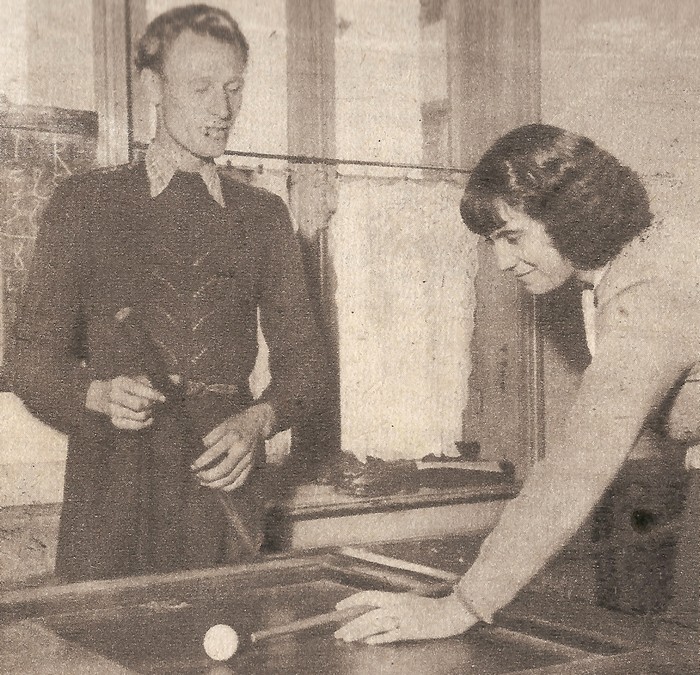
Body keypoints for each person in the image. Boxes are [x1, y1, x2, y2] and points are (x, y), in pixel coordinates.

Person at [334, 123, 700, 643]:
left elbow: (578, 467)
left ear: (569, 215)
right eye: (492, 242)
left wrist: (459, 607)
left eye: (512, 236)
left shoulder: (643, 295)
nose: (502, 262)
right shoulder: (627, 270)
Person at [8, 4, 327, 581]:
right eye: (201, 87)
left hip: (222, 494)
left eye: (233, 88)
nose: (222, 109)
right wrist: (96, 394)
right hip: (112, 497)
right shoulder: (85, 204)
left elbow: (306, 364)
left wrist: (258, 421)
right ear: (153, 87)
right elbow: (27, 360)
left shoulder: (263, 216)